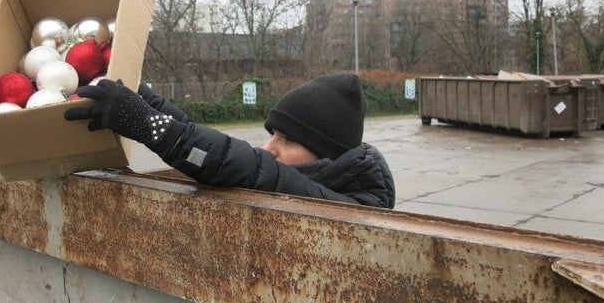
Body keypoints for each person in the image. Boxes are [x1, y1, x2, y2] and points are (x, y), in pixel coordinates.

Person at [64, 73, 395, 208]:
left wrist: (153, 126)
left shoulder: (349, 205)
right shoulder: (329, 180)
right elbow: (232, 157)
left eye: (289, 140)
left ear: (330, 154)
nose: (270, 149)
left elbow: (245, 167)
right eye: (273, 135)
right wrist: (153, 104)